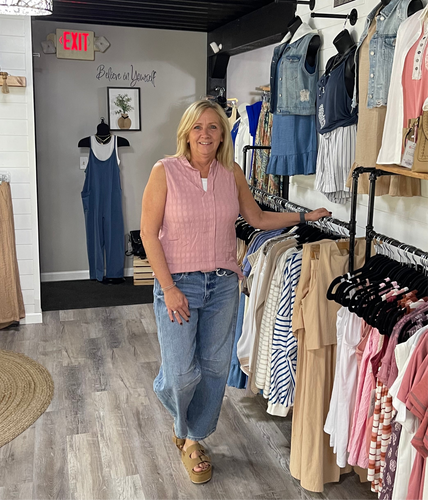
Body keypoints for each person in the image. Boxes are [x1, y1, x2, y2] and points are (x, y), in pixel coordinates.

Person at [140, 100, 330, 484]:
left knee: (213, 369)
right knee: (180, 375)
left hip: (223, 285)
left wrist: (304, 216)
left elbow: (256, 217)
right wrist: (169, 287)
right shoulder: (165, 171)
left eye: (213, 127)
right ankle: (181, 419)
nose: (205, 134)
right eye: (198, 127)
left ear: (223, 134)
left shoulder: (232, 172)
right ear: (186, 133)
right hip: (180, 284)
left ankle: (193, 439)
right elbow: (148, 233)